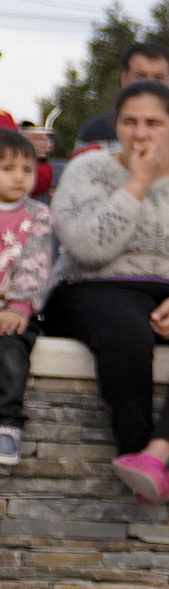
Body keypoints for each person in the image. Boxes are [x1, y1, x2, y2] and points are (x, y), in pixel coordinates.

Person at [43, 78, 169, 503]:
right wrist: (136, 184)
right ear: (115, 126)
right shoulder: (88, 170)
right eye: (129, 122)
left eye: (153, 123)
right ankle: (134, 450)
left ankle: (159, 453)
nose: (140, 133)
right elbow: (86, 248)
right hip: (95, 285)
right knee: (125, 329)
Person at [73, 42, 169, 175]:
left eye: (159, 78)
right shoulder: (94, 131)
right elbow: (78, 188)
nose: (149, 85)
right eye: (140, 76)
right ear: (124, 79)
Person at [0, 129, 55, 465]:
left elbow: (36, 265)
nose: (19, 177)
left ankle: (6, 425)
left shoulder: (37, 216)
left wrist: (19, 307)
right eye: (7, 169)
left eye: (26, 169)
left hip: (17, 311)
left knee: (10, 351)